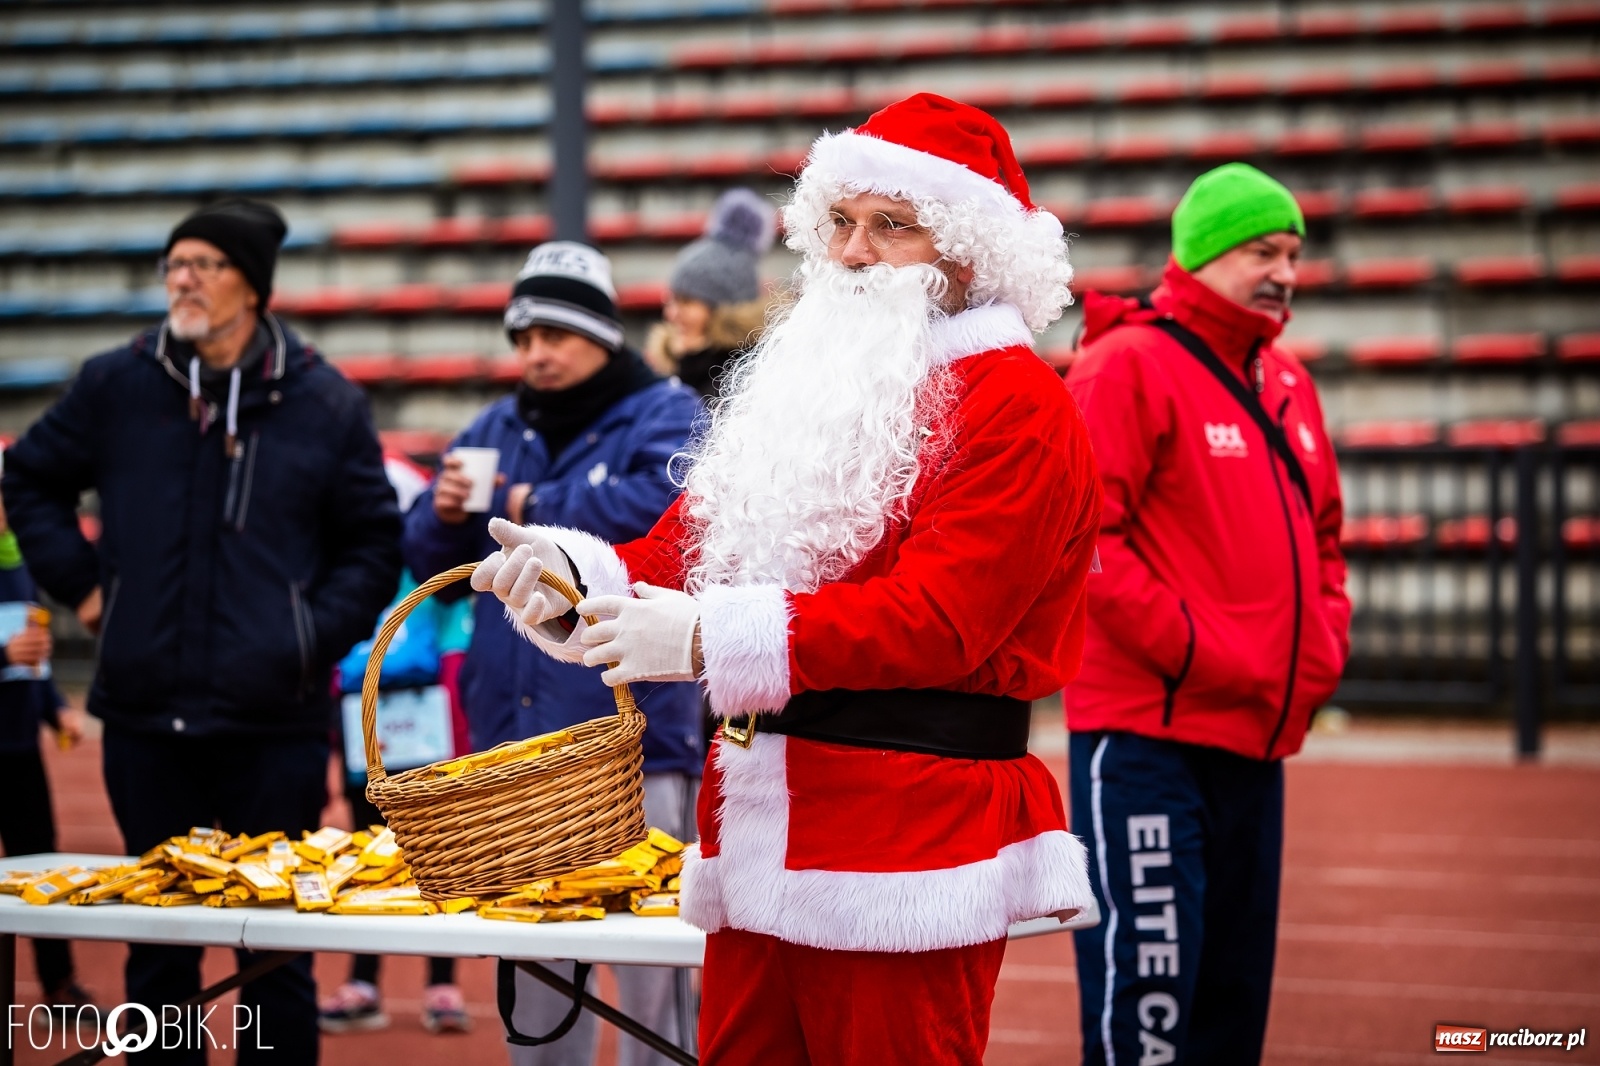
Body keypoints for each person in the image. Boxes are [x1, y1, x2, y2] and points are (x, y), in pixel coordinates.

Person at [471, 93, 1101, 1064]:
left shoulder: (1020, 405)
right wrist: (570, 576)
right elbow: (681, 552)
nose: (850, 252)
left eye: (892, 226)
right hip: (760, 820)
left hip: (906, 840)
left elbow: (940, 621)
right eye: (839, 223)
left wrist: (697, 639)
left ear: (969, 253)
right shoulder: (808, 379)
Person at [3, 198, 402, 1064]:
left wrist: (306, 636)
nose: (180, 280)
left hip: (275, 728)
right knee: (158, 950)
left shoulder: (325, 401)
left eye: (203, 265)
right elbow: (30, 478)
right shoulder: (119, 383)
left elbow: (373, 542)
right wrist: (84, 589)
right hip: (146, 724)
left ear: (251, 288)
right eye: (173, 265)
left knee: (275, 954)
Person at [1063, 162, 1350, 1065]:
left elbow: (1328, 536)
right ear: (1206, 254)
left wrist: (1323, 650)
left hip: (1256, 735)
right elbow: (1083, 540)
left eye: (1294, 255)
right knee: (1149, 1004)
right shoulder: (1126, 364)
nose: (1285, 273)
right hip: (1149, 737)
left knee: (1231, 1009)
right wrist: (1195, 650)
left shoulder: (1290, 384)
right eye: (1262, 251)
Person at [401, 241, 703, 1066]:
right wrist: (441, 508)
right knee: (535, 987)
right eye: (522, 335)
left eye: (554, 333)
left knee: (658, 983)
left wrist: (523, 502)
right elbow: (433, 555)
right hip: (516, 755)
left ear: (602, 333)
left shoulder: (666, 410)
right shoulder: (495, 424)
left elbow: (670, 511)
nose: (534, 351)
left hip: (634, 748)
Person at [319, 455, 474, 1037]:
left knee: (438, 858)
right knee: (367, 853)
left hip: (425, 730)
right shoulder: (342, 567)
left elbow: (458, 644)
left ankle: (443, 982)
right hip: (366, 730)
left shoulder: (431, 572)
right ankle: (364, 980)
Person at [0, 459, 91, 1012]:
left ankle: (59, 988)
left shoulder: (16, 562)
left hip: (17, 746)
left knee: (39, 867)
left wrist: (56, 707)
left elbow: (29, 657)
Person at [643, 188, 775, 401]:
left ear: (726, 313)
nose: (671, 314)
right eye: (671, 300)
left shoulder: (749, 387)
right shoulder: (671, 371)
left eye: (686, 302)